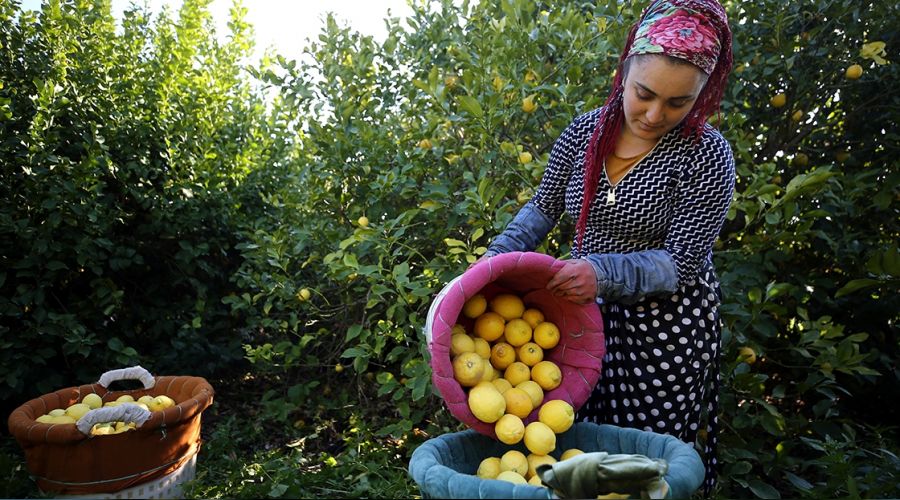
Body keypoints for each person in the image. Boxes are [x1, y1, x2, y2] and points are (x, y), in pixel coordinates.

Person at [480, 0, 734, 492]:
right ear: (625, 71)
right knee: (571, 446)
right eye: (644, 93)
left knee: (640, 460)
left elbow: (681, 263)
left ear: (702, 94)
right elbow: (542, 208)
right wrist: (492, 262)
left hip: (665, 331)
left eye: (678, 103)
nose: (655, 114)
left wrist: (601, 272)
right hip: (582, 316)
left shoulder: (706, 155)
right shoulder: (583, 134)